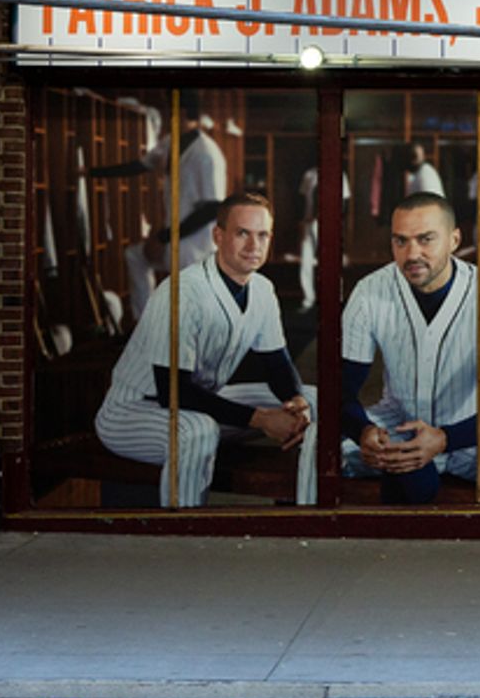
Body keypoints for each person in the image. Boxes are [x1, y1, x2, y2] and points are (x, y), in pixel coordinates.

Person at [95, 193, 317, 507]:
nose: (254, 246)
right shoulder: (184, 291)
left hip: (200, 403)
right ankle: (184, 532)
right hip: (134, 413)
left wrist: (294, 400)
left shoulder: (262, 289)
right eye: (243, 233)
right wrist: (261, 419)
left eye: (262, 235)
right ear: (218, 235)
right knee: (198, 431)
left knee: (314, 402)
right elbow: (172, 391)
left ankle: (302, 511)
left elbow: (277, 363)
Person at [340, 192, 480, 504]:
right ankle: (302, 538)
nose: (412, 253)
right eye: (400, 241)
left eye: (426, 239)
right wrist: (364, 431)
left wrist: (446, 439)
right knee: (317, 438)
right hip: (398, 428)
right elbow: (341, 390)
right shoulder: (369, 292)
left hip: (473, 437)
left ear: (454, 240)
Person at [87, 92, 228, 321]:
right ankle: (147, 327)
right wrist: (93, 173)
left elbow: (212, 209)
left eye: (168, 112)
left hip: (194, 244)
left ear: (180, 113)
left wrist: (164, 237)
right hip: (173, 238)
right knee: (135, 256)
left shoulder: (207, 154)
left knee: (189, 308)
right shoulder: (171, 142)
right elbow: (139, 166)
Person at [298, 166, 351, 312]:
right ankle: (308, 299)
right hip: (309, 222)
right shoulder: (309, 174)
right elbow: (304, 199)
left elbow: (344, 202)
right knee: (305, 261)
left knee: (329, 261)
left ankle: (333, 300)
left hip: (328, 221)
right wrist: (303, 220)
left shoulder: (339, 173)